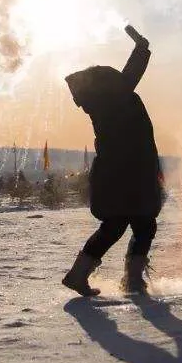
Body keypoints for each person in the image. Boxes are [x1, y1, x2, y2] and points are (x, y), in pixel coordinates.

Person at [61, 25, 164, 296]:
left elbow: (128, 77)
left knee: (118, 224)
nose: (118, 78)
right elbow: (129, 76)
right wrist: (141, 48)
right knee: (141, 224)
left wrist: (141, 48)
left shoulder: (104, 101)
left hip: (118, 172)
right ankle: (131, 280)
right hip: (129, 172)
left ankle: (80, 274)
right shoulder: (113, 100)